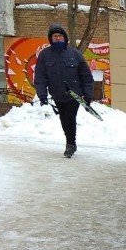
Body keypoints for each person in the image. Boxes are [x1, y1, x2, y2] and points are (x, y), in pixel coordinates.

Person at [33, 23, 94, 158]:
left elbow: (86, 77)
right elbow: (40, 77)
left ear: (65, 37)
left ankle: (71, 144)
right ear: (51, 38)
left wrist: (87, 96)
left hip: (74, 94)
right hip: (57, 94)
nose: (58, 38)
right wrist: (42, 95)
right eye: (55, 36)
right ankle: (70, 142)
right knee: (63, 119)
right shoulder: (45, 55)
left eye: (60, 36)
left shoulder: (75, 54)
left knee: (70, 118)